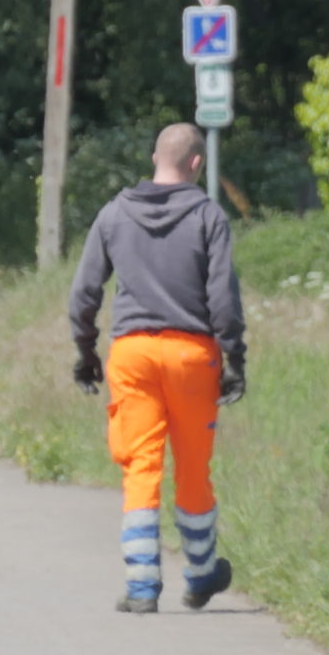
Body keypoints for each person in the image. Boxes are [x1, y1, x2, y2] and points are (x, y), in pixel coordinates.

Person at [69, 123, 246, 614]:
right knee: (192, 466)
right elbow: (222, 300)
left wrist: (85, 354)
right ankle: (201, 571)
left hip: (132, 354)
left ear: (154, 157)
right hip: (192, 355)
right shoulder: (209, 216)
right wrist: (235, 358)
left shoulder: (114, 214)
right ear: (196, 164)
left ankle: (143, 585)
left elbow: (84, 294)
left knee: (140, 466)